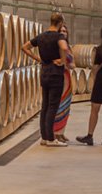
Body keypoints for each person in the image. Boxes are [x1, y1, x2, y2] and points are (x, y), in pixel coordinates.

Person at [23, 11, 70, 147]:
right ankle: (50, 138)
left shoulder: (41, 36)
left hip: (44, 72)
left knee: (45, 106)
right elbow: (64, 47)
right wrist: (62, 60)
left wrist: (38, 59)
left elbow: (24, 47)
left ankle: (44, 137)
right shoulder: (59, 36)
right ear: (60, 23)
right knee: (52, 106)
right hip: (56, 74)